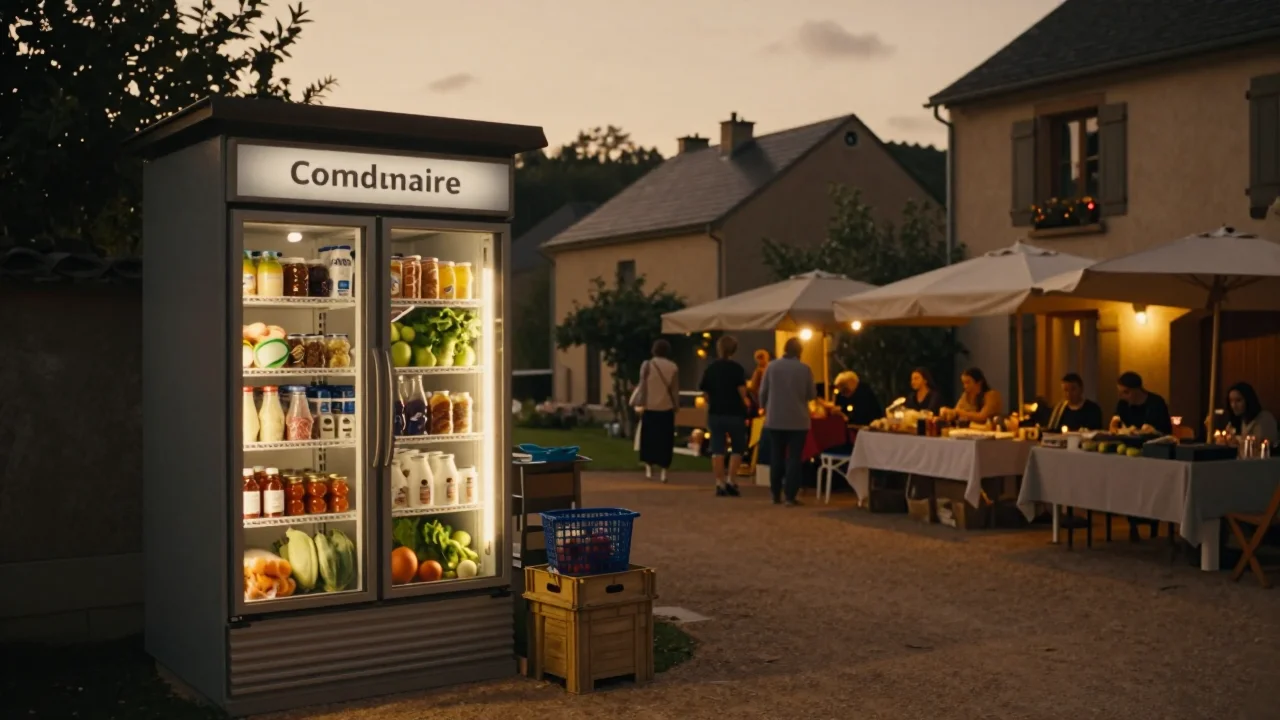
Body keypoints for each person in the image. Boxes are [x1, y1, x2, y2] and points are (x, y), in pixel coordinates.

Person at [759, 337, 813, 506]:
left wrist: (763, 407)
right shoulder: (805, 369)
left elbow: (763, 392)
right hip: (798, 420)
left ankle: (775, 494)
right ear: (800, 352)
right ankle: (790, 495)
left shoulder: (772, 367)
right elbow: (811, 394)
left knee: (776, 455)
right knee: (794, 458)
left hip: (775, 418)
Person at [699, 335, 748, 497]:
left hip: (716, 412)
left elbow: (705, 394)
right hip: (735, 412)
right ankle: (731, 480)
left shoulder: (711, 368)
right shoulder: (737, 369)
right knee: (737, 447)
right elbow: (742, 393)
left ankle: (719, 482)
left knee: (717, 448)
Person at [633, 339, 680, 483]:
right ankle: (664, 471)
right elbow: (674, 389)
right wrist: (676, 405)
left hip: (650, 406)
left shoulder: (647, 365)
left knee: (649, 439)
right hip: (666, 407)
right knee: (665, 440)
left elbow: (643, 385)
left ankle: (648, 467)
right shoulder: (673, 367)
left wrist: (640, 402)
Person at [1222, 381, 1279, 446]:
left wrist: (1238, 441)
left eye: (1238, 400)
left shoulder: (1264, 418)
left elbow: (1260, 444)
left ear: (1248, 400)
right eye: (1231, 401)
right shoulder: (1238, 420)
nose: (1233, 405)